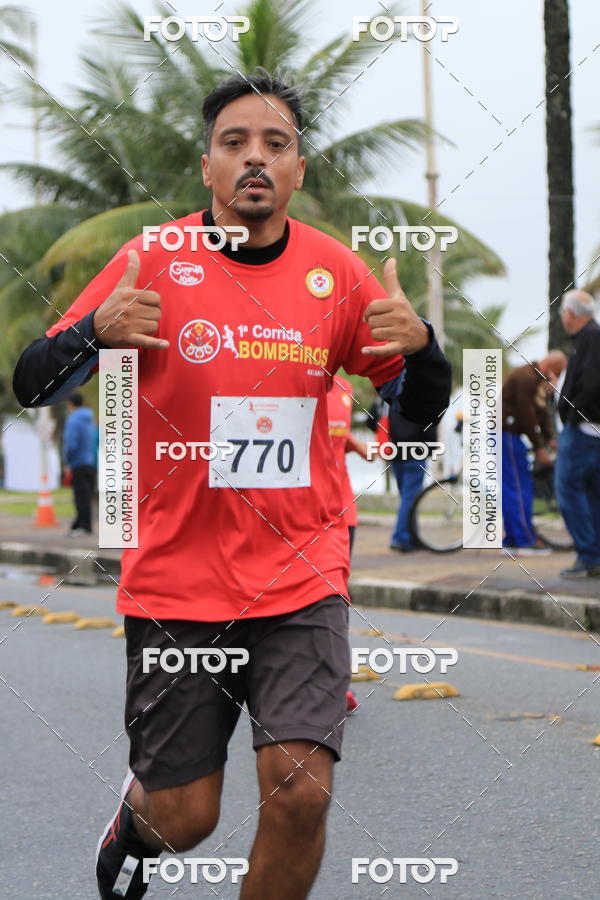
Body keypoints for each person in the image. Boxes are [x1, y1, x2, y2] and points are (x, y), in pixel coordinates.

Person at [13, 71, 451, 900]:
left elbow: (418, 420)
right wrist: (92, 335)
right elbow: (31, 382)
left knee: (301, 789)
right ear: (207, 167)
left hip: (302, 570)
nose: (256, 158)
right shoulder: (152, 258)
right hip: (178, 580)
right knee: (187, 817)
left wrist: (426, 352)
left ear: (299, 170)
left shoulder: (337, 274)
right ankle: (137, 820)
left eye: (275, 144)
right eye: (235, 143)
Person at [326, 375, 370, 713]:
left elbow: (333, 435)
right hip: (291, 513)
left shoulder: (343, 387)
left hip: (340, 511)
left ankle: (334, 685)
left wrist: (355, 445)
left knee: (334, 599)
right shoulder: (280, 372)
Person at [501, 352, 566, 554]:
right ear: (550, 367)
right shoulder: (526, 378)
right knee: (518, 488)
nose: (554, 380)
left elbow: (542, 411)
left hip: (512, 436)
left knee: (516, 487)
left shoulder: (537, 378)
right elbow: (526, 415)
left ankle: (512, 540)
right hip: (507, 434)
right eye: (556, 374)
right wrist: (538, 447)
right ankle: (524, 540)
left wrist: (550, 439)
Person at [556, 289, 600, 578]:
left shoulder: (590, 338)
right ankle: (593, 554)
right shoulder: (590, 337)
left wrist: (573, 415)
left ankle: (588, 554)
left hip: (583, 430)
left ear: (570, 314)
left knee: (568, 489)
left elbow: (591, 383)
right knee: (592, 493)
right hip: (591, 429)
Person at [377, 405, 439, 552]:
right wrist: (431, 448)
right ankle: (401, 538)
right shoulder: (421, 396)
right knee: (410, 498)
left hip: (396, 453)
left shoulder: (389, 395)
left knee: (407, 497)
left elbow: (372, 419)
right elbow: (429, 426)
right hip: (416, 452)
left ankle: (412, 536)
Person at [62, 392, 97, 536]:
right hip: (90, 462)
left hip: (78, 463)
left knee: (79, 497)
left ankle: (82, 526)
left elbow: (71, 444)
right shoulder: (90, 419)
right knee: (86, 496)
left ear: (70, 404)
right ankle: (83, 525)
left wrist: (67, 462)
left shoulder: (73, 420)